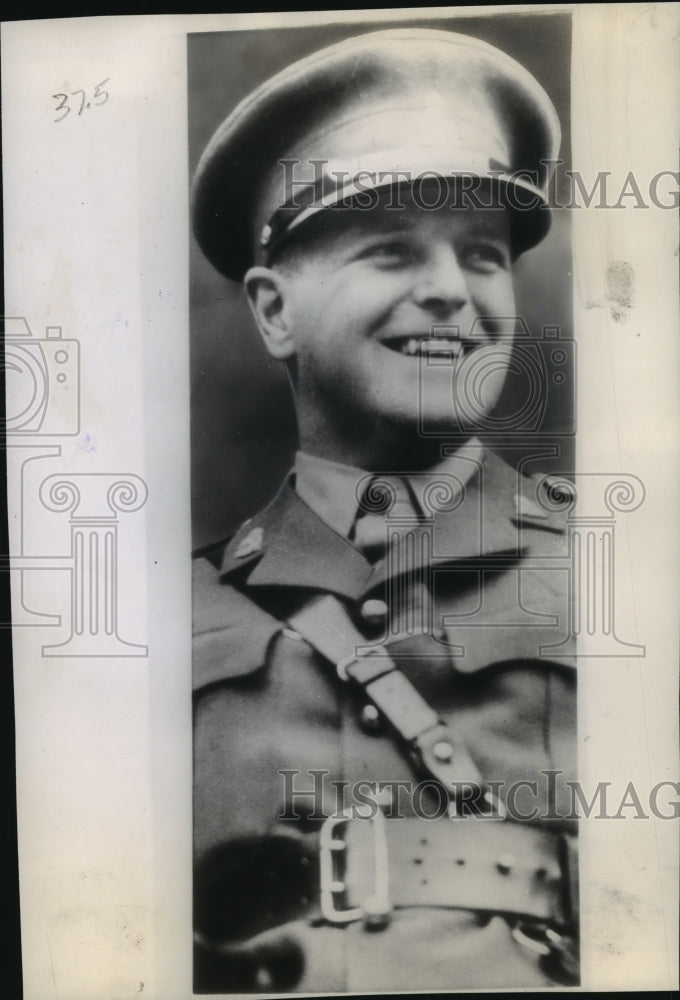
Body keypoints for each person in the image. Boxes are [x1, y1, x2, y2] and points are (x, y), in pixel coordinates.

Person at [190, 27, 577, 993]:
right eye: (393, 252)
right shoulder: (163, 620)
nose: (450, 291)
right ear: (275, 311)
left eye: (483, 255)